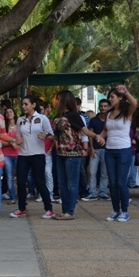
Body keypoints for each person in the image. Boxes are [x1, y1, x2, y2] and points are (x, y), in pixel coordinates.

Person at [52, 90, 105, 220]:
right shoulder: (57, 116)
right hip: (60, 153)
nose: (56, 101)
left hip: (73, 153)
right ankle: (64, 210)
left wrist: (97, 136)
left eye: (58, 99)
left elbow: (85, 131)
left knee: (72, 183)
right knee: (62, 183)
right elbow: (58, 136)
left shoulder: (74, 116)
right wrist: (46, 136)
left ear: (64, 100)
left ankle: (70, 211)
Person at [10, 96, 55, 219]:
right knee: (20, 182)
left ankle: (49, 209)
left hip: (38, 154)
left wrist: (45, 135)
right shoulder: (20, 120)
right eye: (22, 104)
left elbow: (52, 135)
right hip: (23, 155)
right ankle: (21, 208)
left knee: (39, 181)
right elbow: (18, 136)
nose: (23, 106)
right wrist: (17, 140)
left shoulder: (42, 118)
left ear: (33, 105)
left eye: (26, 104)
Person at [98, 85, 137, 222]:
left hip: (124, 150)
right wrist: (100, 137)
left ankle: (125, 211)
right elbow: (105, 131)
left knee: (121, 182)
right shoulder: (108, 114)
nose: (110, 99)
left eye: (112, 97)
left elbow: (134, 103)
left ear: (120, 98)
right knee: (112, 183)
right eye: (109, 97)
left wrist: (126, 92)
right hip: (109, 150)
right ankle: (115, 210)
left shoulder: (127, 113)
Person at [83, 99, 110, 201]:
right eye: (101, 106)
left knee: (104, 173)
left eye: (105, 106)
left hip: (107, 150)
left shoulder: (110, 120)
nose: (103, 108)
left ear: (108, 107)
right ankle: (93, 193)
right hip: (96, 149)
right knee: (92, 173)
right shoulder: (94, 120)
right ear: (99, 107)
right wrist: (92, 148)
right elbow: (90, 135)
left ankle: (103, 193)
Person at [2, 106, 19, 205]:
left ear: (14, 113)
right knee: (9, 176)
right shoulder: (4, 127)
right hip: (7, 154)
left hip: (18, 153)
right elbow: (1, 142)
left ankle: (22, 197)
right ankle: (12, 197)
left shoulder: (19, 125)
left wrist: (15, 142)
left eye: (10, 111)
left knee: (20, 176)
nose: (9, 113)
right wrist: (11, 142)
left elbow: (22, 139)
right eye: (7, 112)